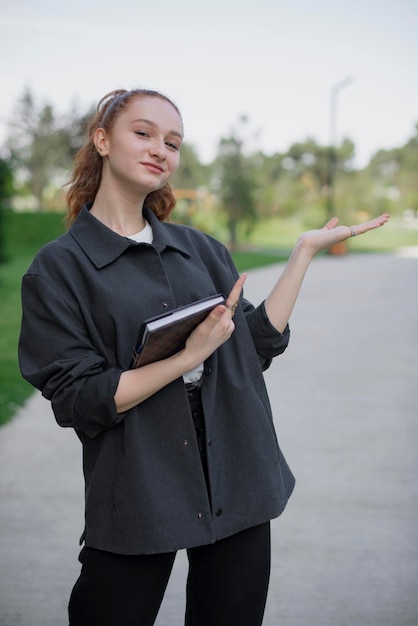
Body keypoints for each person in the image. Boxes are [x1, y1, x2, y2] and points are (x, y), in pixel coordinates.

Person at [18, 88, 389, 626]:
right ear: (101, 140)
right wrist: (183, 358)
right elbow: (81, 398)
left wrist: (302, 254)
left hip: (239, 466)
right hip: (140, 478)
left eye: (172, 142)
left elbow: (253, 345)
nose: (160, 150)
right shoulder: (59, 269)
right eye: (143, 133)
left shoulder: (203, 250)